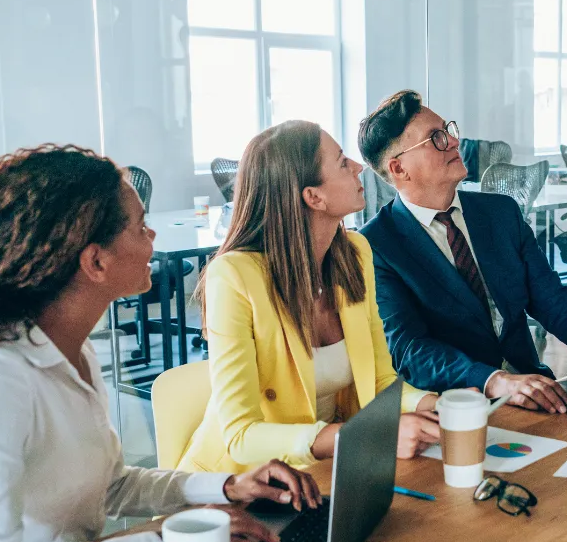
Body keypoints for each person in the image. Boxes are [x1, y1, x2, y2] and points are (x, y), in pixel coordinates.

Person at [0, 145, 320, 542]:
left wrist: (226, 487)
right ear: (95, 262)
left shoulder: (72, 350)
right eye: (140, 226)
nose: (153, 234)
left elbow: (111, 487)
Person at [178, 120, 440, 473]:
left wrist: (432, 404)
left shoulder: (355, 253)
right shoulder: (234, 276)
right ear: (313, 197)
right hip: (235, 486)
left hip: (322, 474)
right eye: (342, 161)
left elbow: (379, 381)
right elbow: (241, 435)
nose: (358, 167)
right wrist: (363, 436)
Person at [359, 90, 567, 412]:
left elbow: (551, 300)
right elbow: (410, 350)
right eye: (435, 138)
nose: (454, 142)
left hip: (534, 391)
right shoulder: (376, 246)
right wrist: (493, 380)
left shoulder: (500, 212)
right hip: (454, 409)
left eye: (448, 130)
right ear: (399, 169)